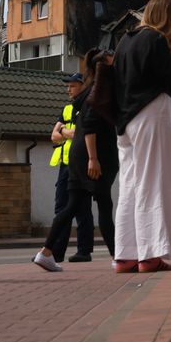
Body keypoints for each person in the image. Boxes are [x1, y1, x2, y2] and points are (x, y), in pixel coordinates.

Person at [112, 0, 171, 273]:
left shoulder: (125, 41)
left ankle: (125, 254)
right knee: (154, 182)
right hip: (150, 113)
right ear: (166, 16)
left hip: (125, 121)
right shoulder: (154, 40)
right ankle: (150, 255)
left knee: (130, 187)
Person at [34, 50, 118, 271]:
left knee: (71, 206)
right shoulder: (98, 92)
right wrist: (93, 159)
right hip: (92, 158)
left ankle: (46, 253)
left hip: (79, 158)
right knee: (104, 206)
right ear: (104, 67)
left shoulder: (90, 92)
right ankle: (118, 257)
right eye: (113, 62)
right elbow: (90, 127)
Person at [49, 71, 86, 262]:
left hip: (80, 163)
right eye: (68, 85)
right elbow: (53, 136)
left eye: (72, 85)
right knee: (62, 206)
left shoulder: (87, 107)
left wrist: (62, 130)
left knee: (81, 208)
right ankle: (57, 252)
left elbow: (79, 133)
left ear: (83, 85)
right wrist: (65, 130)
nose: (68, 89)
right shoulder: (66, 109)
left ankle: (83, 251)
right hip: (65, 164)